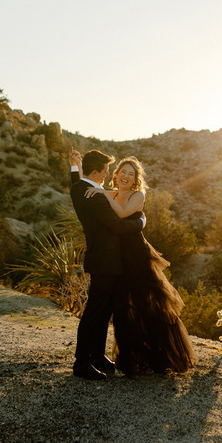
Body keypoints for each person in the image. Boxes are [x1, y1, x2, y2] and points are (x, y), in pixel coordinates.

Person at [73, 152, 195, 376]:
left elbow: (121, 215)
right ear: (116, 175)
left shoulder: (134, 195)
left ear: (136, 178)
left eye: (131, 173)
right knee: (122, 310)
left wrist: (141, 221)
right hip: (118, 260)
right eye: (122, 172)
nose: (125, 176)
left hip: (136, 256)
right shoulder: (107, 192)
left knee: (148, 305)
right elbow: (82, 187)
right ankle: (126, 357)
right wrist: (76, 167)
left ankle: (159, 356)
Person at [69, 148, 146, 381]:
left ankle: (97, 355)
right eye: (105, 170)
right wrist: (141, 221)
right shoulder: (94, 197)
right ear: (95, 171)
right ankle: (81, 362)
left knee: (103, 311)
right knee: (95, 312)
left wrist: (75, 166)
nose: (107, 174)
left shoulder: (78, 188)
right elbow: (120, 227)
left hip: (104, 259)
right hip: (106, 261)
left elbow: (76, 179)